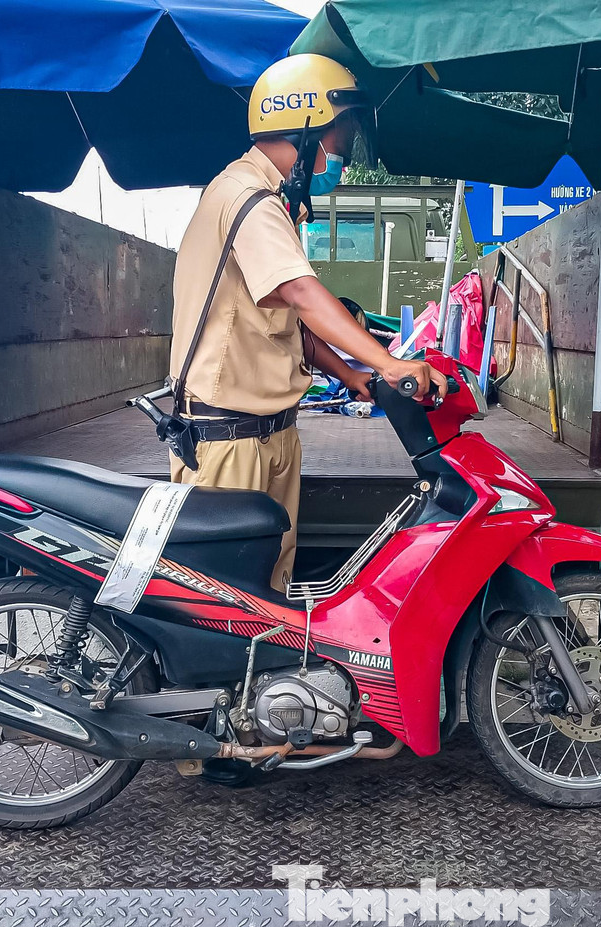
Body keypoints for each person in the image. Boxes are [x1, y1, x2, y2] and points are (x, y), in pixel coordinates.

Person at [168, 54, 445, 591]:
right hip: (230, 438)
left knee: (269, 592)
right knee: (225, 600)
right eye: (337, 140)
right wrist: (388, 363)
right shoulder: (247, 199)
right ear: (305, 127)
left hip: (266, 433)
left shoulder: (265, 199)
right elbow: (301, 291)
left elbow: (287, 319)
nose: (338, 155)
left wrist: (353, 376)